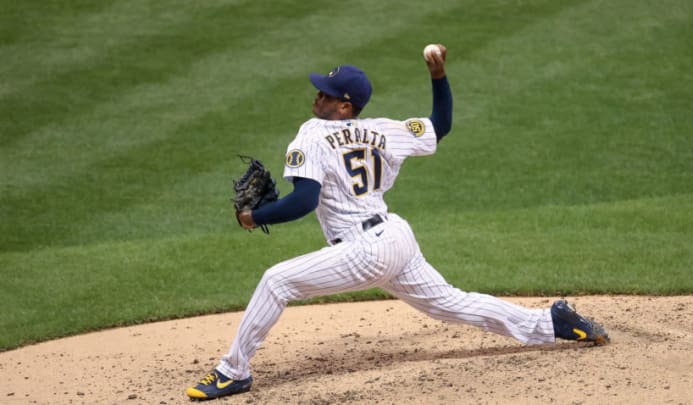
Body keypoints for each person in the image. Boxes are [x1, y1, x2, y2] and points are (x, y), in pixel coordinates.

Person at [186, 45, 609, 400]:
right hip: (395, 238)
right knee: (450, 302)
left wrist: (252, 217)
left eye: (326, 94)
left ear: (344, 106)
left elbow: (304, 200)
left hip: (364, 249)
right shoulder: (383, 131)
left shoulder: (312, 133)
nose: (317, 96)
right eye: (319, 91)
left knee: (276, 281)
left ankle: (233, 370)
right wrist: (439, 76)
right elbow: (440, 126)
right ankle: (550, 322)